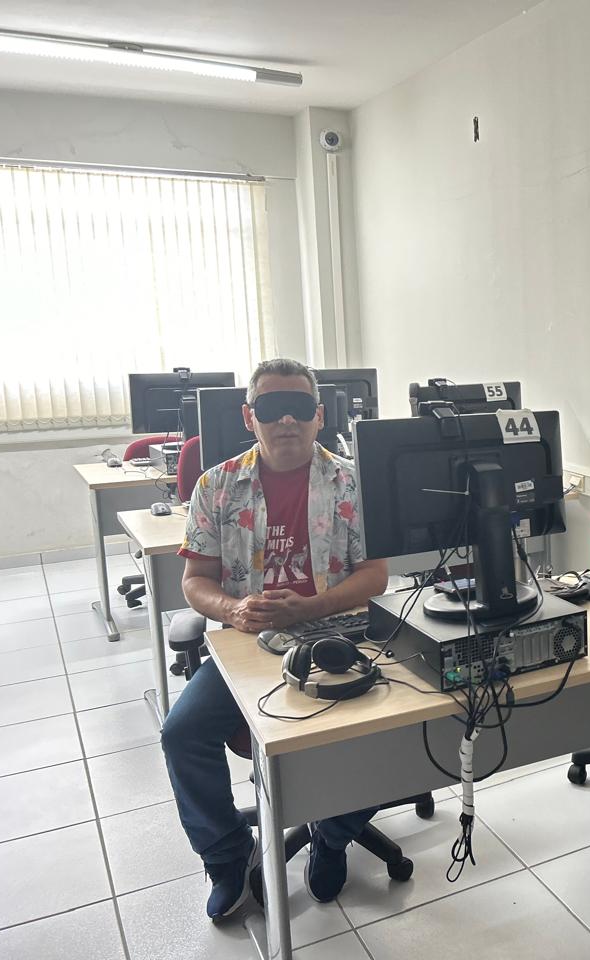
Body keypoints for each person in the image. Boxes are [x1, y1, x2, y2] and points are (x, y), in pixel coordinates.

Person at [160, 358, 388, 920]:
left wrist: (312, 606)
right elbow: (195, 582)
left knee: (396, 729)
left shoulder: (353, 483)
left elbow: (375, 576)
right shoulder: (216, 486)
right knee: (182, 734)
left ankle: (333, 835)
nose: (286, 420)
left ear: (319, 416)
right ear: (249, 417)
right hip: (248, 644)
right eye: (270, 408)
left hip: (338, 637)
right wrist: (233, 608)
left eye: (298, 408)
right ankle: (228, 857)